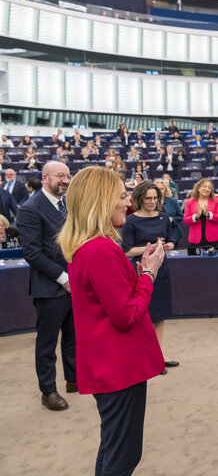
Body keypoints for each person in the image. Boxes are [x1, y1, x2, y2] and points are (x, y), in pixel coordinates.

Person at [58, 165, 165, 475]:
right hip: (119, 367)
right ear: (101, 202)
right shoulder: (102, 249)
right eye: (120, 197)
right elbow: (127, 314)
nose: (126, 203)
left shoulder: (88, 247)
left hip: (109, 367)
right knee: (123, 457)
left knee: (113, 449)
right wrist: (148, 274)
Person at [16, 161, 76, 411]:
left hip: (74, 283)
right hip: (50, 286)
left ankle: (73, 380)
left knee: (73, 336)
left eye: (68, 175)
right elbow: (32, 253)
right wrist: (64, 279)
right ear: (44, 178)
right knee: (47, 342)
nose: (65, 180)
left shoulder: (68, 204)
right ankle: (48, 391)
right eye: (60, 176)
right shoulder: (30, 209)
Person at [121, 181, 178, 371]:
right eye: (148, 198)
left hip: (162, 269)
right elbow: (128, 251)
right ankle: (146, 355)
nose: (152, 201)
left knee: (160, 314)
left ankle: (159, 354)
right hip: (140, 271)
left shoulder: (163, 217)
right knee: (144, 314)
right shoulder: (130, 221)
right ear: (139, 199)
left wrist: (167, 245)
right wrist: (153, 247)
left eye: (155, 198)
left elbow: (171, 241)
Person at [183, 178, 218, 248]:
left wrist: (208, 214)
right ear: (198, 188)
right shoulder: (190, 202)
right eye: (204, 186)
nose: (207, 189)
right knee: (196, 259)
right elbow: (186, 220)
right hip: (196, 239)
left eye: (209, 188)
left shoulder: (216, 201)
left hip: (214, 238)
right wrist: (197, 215)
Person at [155, 179, 183, 245]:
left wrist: (172, 219)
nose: (159, 191)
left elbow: (181, 216)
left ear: (165, 190)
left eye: (161, 189)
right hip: (156, 235)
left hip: (172, 234)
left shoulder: (173, 201)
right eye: (157, 188)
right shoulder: (151, 202)